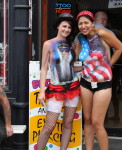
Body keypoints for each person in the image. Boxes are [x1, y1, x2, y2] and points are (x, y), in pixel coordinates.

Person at [75, 10, 122, 150]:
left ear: (92, 23)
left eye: (86, 23)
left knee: (97, 122)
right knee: (88, 120)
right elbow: (77, 60)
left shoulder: (101, 34)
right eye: (80, 24)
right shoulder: (80, 38)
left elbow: (120, 47)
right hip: (85, 83)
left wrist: (110, 64)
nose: (83, 26)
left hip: (103, 84)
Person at [36, 13, 80, 150]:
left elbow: (73, 66)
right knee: (49, 127)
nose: (67, 29)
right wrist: (42, 91)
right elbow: (43, 68)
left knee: (67, 123)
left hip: (73, 87)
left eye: (69, 27)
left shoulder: (72, 44)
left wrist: (92, 66)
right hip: (56, 89)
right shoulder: (48, 44)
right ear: (58, 27)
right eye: (64, 26)